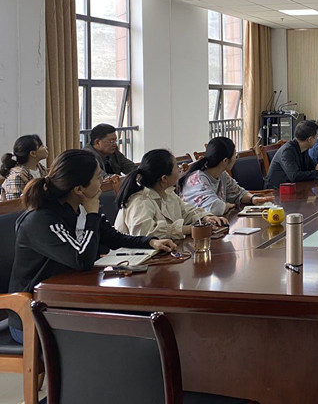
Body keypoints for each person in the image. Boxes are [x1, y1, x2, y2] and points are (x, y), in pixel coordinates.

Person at [7, 149, 176, 344]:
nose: (102, 181)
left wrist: (150, 241)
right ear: (79, 189)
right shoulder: (42, 219)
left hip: (68, 302)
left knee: (146, 317)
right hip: (33, 317)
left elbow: (113, 237)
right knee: (126, 333)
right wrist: (92, 215)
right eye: (97, 177)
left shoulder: (78, 207)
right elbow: (81, 260)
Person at [114, 149, 228, 240]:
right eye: (177, 167)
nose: (180, 170)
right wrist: (189, 229)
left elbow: (186, 211)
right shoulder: (140, 200)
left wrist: (205, 217)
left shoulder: (166, 192)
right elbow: (145, 233)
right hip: (133, 259)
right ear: (164, 178)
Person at [178, 137, 273, 216]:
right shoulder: (197, 179)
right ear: (225, 161)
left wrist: (252, 198)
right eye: (235, 156)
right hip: (194, 228)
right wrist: (228, 205)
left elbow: (238, 193)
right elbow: (214, 208)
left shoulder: (222, 174)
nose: (236, 159)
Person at [264, 121, 318, 189]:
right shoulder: (287, 151)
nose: (317, 140)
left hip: (295, 188)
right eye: (316, 137)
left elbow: (312, 168)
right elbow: (294, 176)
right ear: (309, 139)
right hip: (276, 191)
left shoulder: (304, 149)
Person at [1, 134, 48, 200]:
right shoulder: (16, 175)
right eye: (42, 146)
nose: (46, 147)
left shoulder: (41, 169)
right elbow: (15, 203)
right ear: (33, 153)